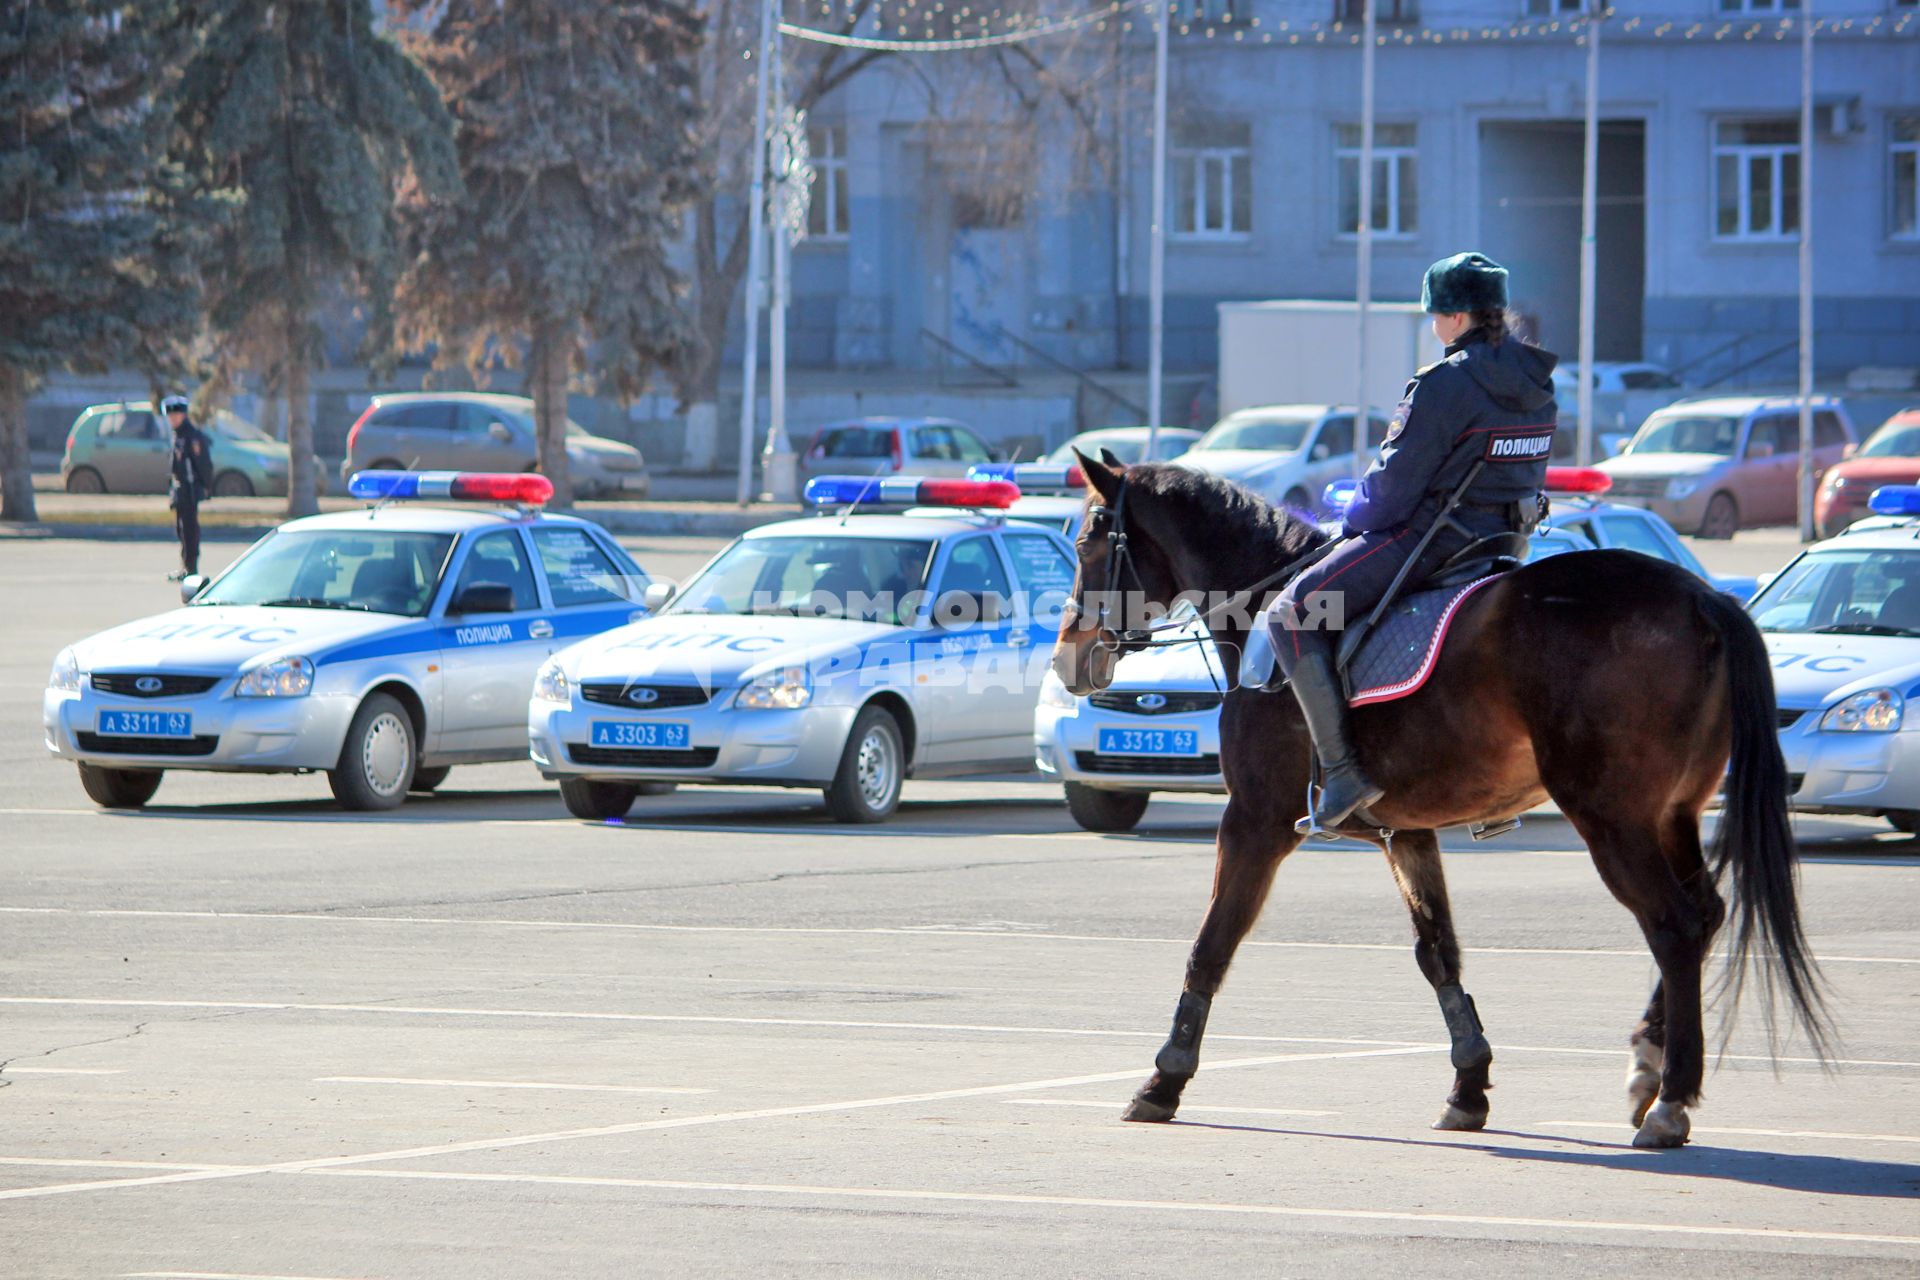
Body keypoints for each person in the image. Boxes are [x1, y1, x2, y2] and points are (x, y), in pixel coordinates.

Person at [1269, 252, 1559, 832]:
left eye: (1435, 315)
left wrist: (1350, 515)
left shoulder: (1444, 383)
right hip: (1503, 546)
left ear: (1454, 316)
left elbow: (1393, 493)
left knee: (1290, 615)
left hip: (1430, 544)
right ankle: (1492, 800)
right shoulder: (1537, 379)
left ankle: (1343, 769)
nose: (1433, 326)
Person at [164, 394, 212, 580]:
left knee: (190, 530)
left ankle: (191, 569)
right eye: (171, 416)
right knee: (181, 529)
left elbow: (204, 464)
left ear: (184, 415)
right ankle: (185, 566)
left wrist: (206, 486)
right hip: (180, 490)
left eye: (176, 415)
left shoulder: (192, 436)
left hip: (190, 490)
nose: (173, 419)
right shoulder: (178, 435)